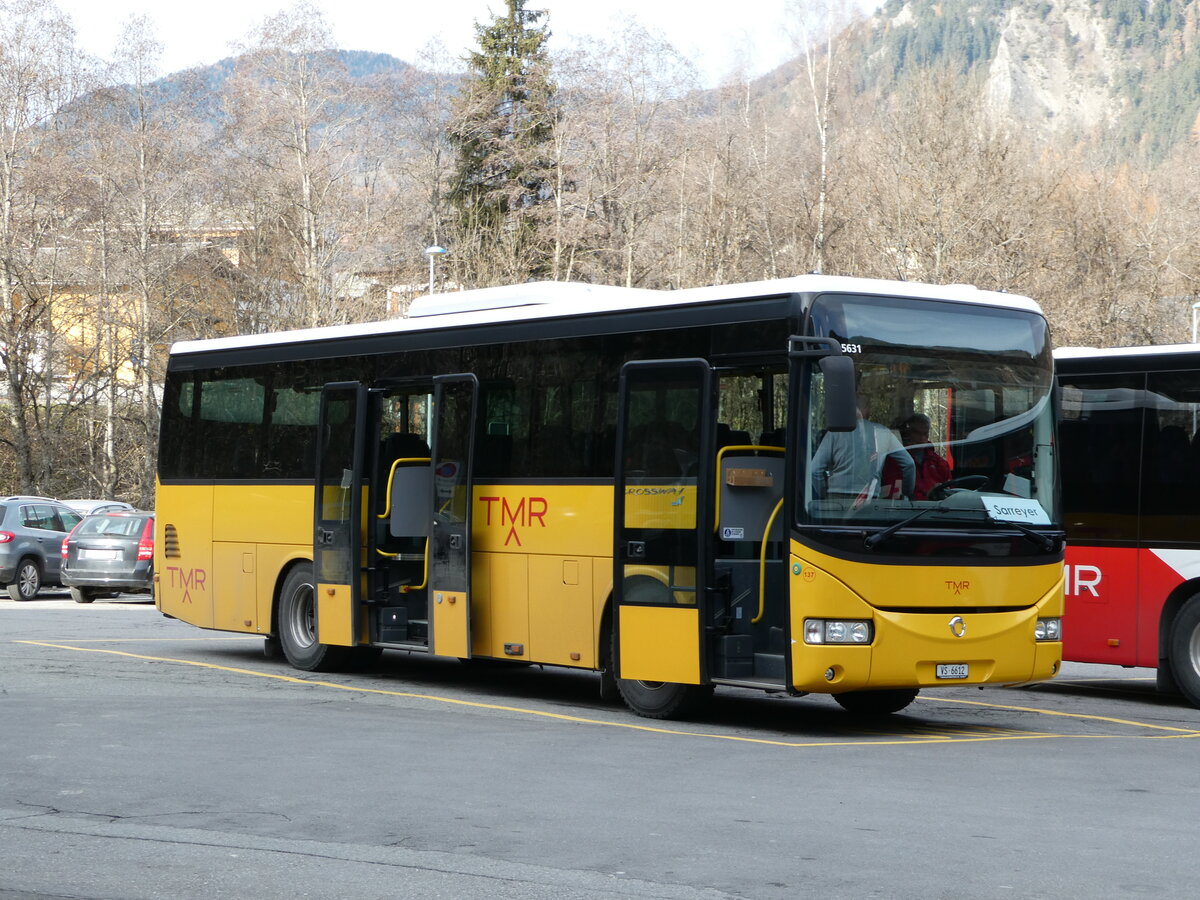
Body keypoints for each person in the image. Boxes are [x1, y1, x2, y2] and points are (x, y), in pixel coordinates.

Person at [811, 407, 915, 505]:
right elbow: (909, 464)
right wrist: (906, 494)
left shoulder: (836, 432)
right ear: (869, 411)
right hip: (869, 499)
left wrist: (824, 494)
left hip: (837, 500)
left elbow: (814, 470)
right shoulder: (883, 432)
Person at [883, 413, 951, 501]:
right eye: (917, 433)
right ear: (907, 433)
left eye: (925, 434)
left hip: (938, 510)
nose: (922, 438)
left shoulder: (939, 463)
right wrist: (927, 497)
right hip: (910, 512)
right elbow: (894, 496)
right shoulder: (897, 461)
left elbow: (951, 493)